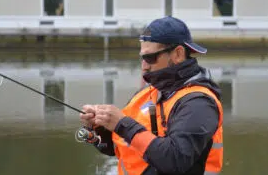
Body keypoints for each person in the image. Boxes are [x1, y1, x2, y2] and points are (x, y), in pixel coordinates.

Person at [80, 16, 223, 175]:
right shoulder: (146, 93)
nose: (144, 66)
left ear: (178, 54)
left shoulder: (199, 103)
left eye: (150, 58)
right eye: (142, 58)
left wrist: (122, 124)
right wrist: (98, 129)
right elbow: (119, 147)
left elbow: (175, 160)